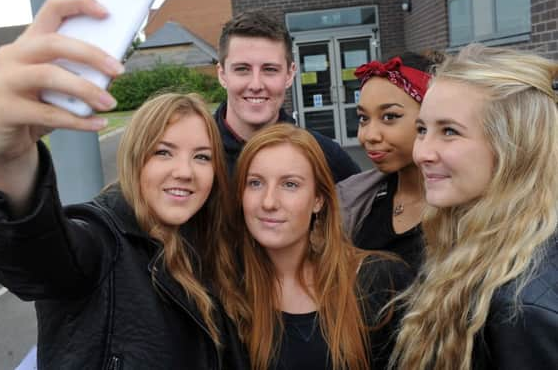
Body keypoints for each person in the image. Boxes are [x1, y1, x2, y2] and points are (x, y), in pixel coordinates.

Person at [0, 0, 247, 369]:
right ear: (135, 160)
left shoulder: (214, 246)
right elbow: (38, 259)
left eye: (202, 156)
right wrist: (6, 161)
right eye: (163, 152)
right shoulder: (101, 241)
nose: (184, 170)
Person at [391, 44, 558, 369]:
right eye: (422, 129)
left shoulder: (520, 309)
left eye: (449, 131)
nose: (422, 152)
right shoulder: (485, 246)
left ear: (514, 147)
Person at [223, 123, 410, 370]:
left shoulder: (379, 280)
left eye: (290, 184)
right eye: (255, 183)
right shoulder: (226, 291)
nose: (269, 202)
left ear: (318, 200)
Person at [215, 10, 360, 182]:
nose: (256, 85)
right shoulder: (194, 154)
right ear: (222, 75)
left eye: (270, 70)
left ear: (290, 75)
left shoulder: (325, 156)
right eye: (242, 69)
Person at [336, 53, 438, 271]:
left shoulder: (473, 213)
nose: (368, 135)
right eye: (363, 118)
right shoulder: (353, 200)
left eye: (389, 117)